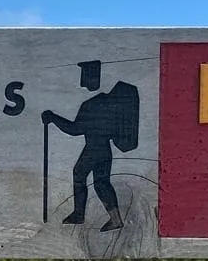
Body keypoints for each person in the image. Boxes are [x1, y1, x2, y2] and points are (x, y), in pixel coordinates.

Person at [41, 59, 139, 231]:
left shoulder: (92, 105)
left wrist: (53, 118)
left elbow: (74, 129)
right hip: (105, 150)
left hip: (94, 148)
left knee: (79, 173)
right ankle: (115, 219)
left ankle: (79, 214)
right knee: (102, 183)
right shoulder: (110, 102)